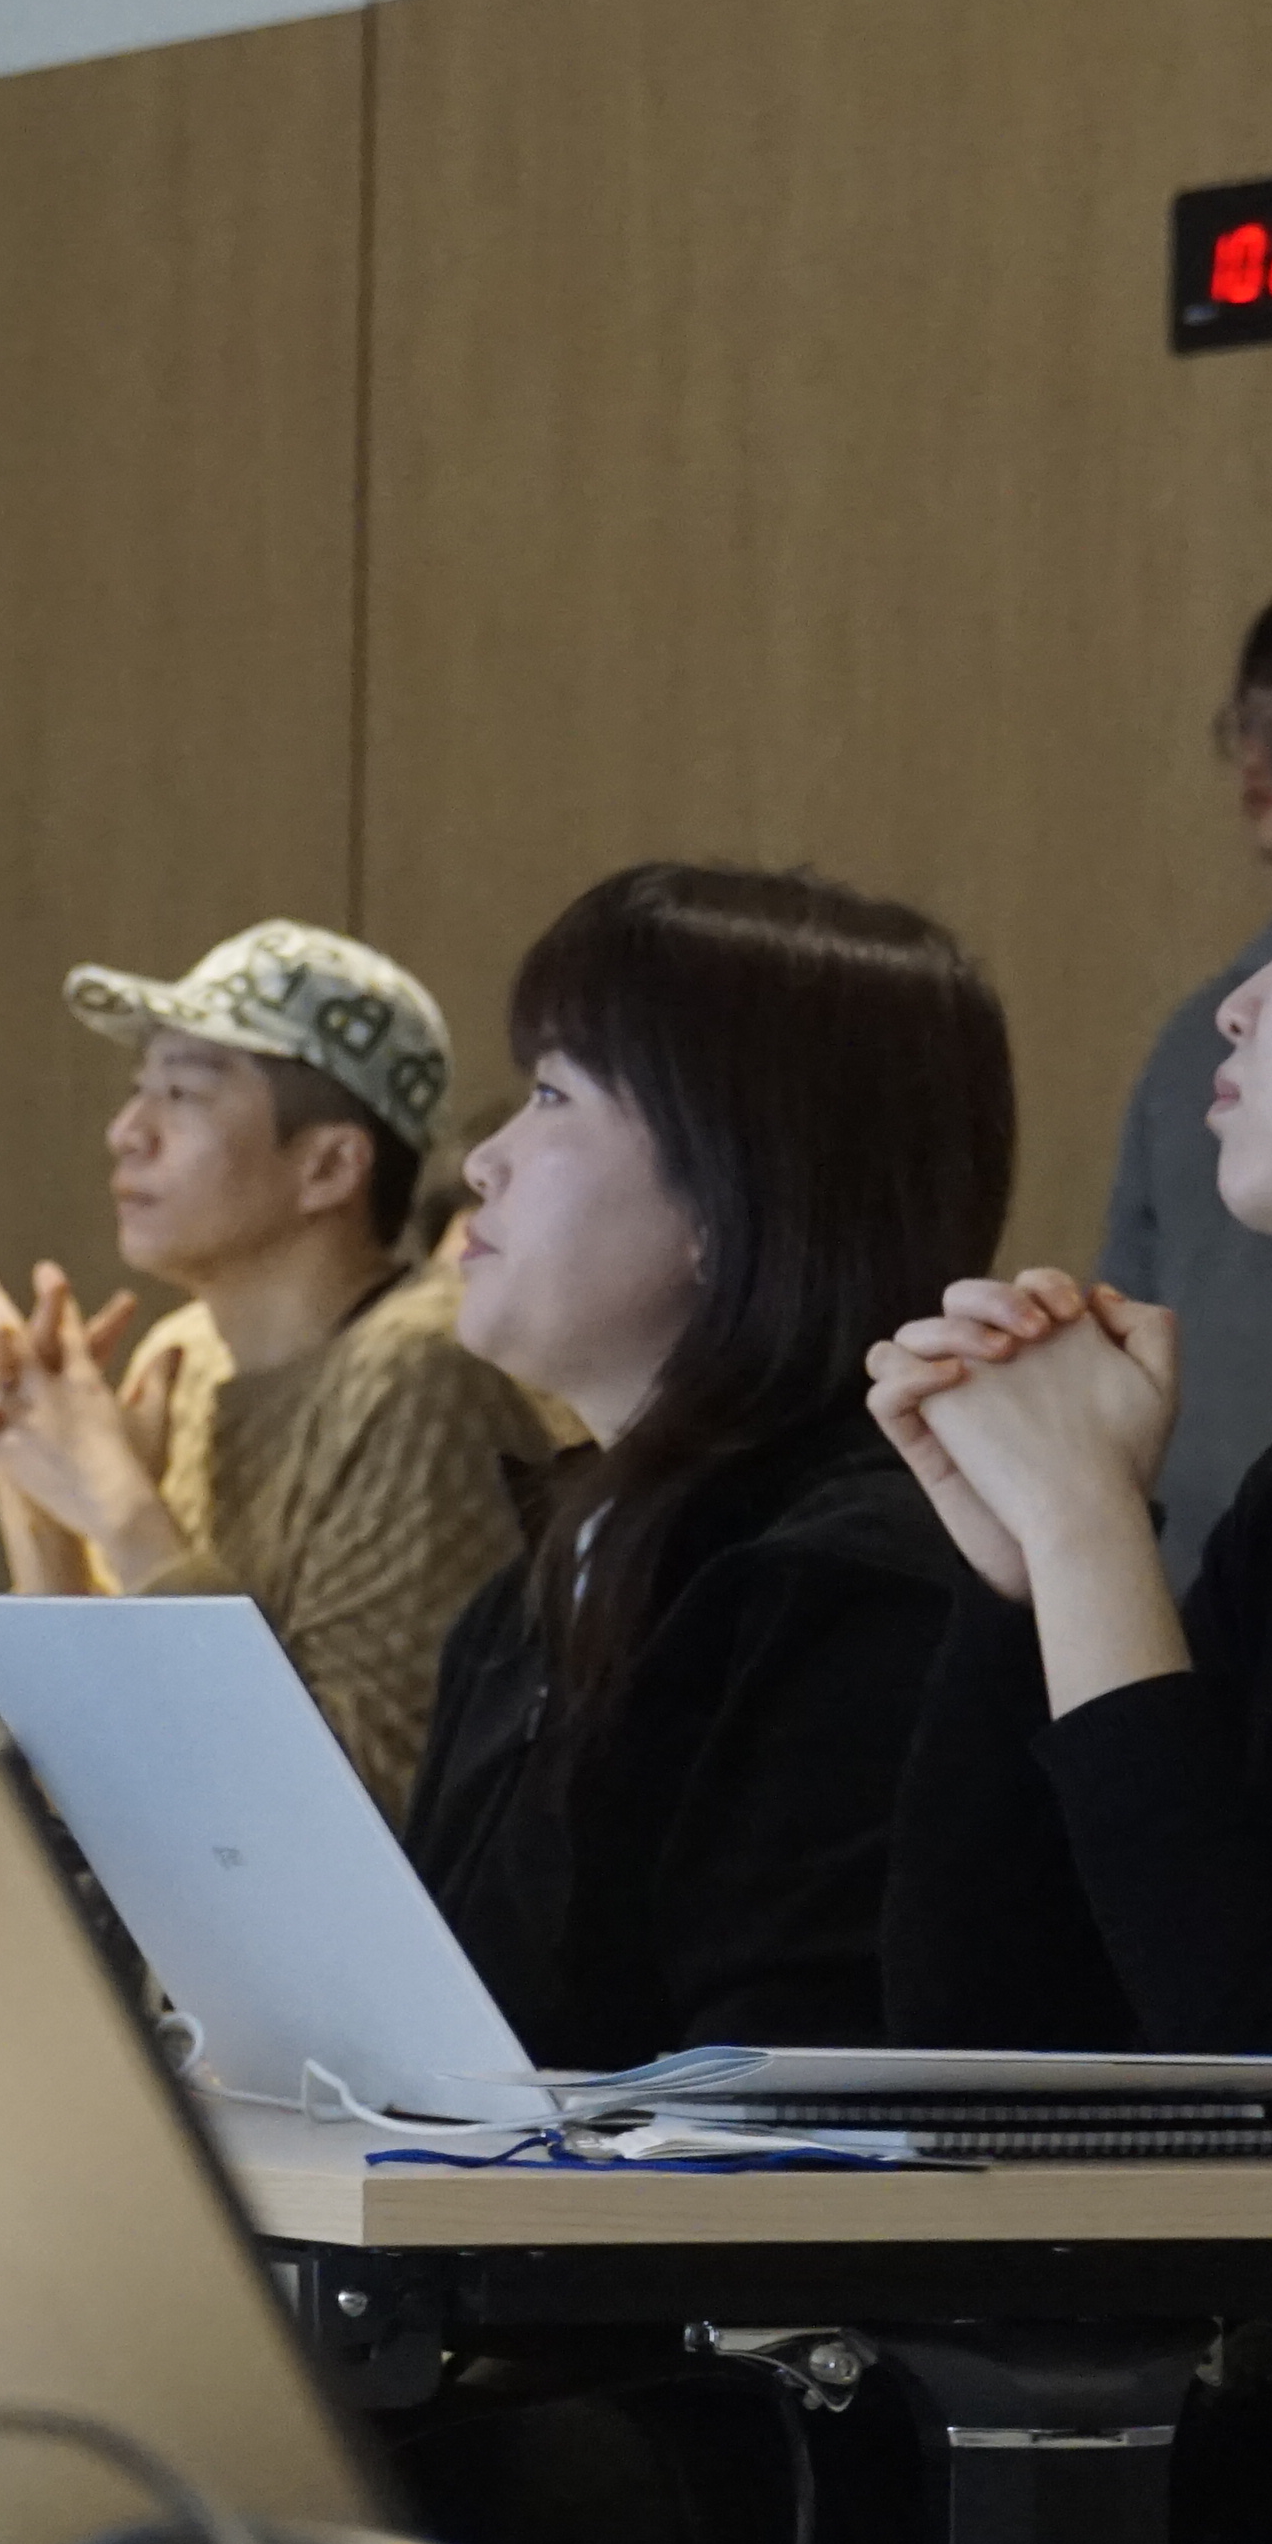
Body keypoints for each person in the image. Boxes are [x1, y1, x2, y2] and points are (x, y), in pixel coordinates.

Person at [404, 863, 1003, 2069]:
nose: (483, 1161)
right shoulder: (538, 1585)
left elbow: (771, 2097)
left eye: (553, 1094)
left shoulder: (855, 1589)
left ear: (732, 1192)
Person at [881, 692, 1272, 2048]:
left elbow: (1267, 2060)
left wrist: (1084, 1526)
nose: (1236, 1007)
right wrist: (1031, 1586)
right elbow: (990, 2029)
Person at [0, 923, 547, 1808]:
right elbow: (98, 1792)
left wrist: (120, 1507)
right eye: (138, 1090)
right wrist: (49, 1526)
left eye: (183, 1094)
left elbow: (352, 1813)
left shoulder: (425, 1373)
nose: (127, 1132)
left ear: (328, 1166)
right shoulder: (188, 1352)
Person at [1100, 568, 1272, 1583]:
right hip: (1205, 1586)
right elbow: (1128, 1303)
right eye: (1245, 722)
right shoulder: (1205, 1034)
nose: (1257, 756)